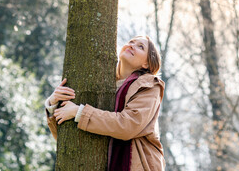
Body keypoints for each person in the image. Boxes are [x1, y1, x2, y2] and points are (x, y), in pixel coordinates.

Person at [45, 36, 165, 171]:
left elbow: (128, 125)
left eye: (140, 46)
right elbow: (66, 139)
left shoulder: (149, 85)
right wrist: (53, 103)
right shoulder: (102, 84)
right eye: (131, 42)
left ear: (147, 64)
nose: (131, 45)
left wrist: (79, 112)